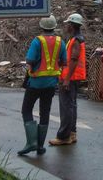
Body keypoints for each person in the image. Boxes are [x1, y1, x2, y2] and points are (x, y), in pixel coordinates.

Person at [18, 15, 67, 155]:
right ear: (54, 26)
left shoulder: (37, 41)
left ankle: (31, 142)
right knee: (44, 112)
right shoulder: (60, 42)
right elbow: (64, 61)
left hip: (35, 82)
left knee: (26, 110)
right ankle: (40, 146)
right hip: (51, 84)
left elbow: (30, 59)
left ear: (41, 26)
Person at [49, 13, 86, 146]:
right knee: (71, 106)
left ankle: (64, 136)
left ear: (72, 25)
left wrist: (66, 79)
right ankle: (72, 134)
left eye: (67, 24)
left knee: (66, 108)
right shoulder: (75, 39)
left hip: (70, 78)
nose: (66, 26)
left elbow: (74, 60)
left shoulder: (76, 40)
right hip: (73, 77)